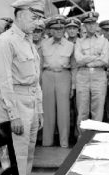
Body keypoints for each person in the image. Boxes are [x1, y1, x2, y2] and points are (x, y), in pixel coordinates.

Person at [0, 0, 44, 175]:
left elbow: (35, 80)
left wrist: (39, 110)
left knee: (28, 155)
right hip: (15, 102)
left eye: (39, 18)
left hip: (30, 102)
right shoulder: (6, 40)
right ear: (20, 14)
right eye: (34, 17)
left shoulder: (28, 41)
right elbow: (3, 81)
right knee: (14, 157)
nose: (38, 23)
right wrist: (13, 115)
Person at [40, 15, 74, 148]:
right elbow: (40, 64)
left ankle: (64, 142)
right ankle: (47, 142)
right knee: (47, 110)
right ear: (50, 30)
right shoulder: (44, 44)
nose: (59, 31)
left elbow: (74, 66)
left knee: (64, 111)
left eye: (61, 28)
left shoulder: (70, 45)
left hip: (64, 75)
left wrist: (73, 86)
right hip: (47, 75)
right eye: (56, 29)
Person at [75, 11, 109, 130]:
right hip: (83, 75)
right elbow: (78, 60)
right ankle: (82, 139)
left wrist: (87, 60)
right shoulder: (79, 42)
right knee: (82, 110)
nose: (91, 26)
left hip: (99, 75)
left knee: (98, 110)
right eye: (88, 24)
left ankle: (95, 140)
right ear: (84, 26)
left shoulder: (104, 41)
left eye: (93, 23)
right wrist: (96, 57)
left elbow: (105, 60)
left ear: (97, 25)